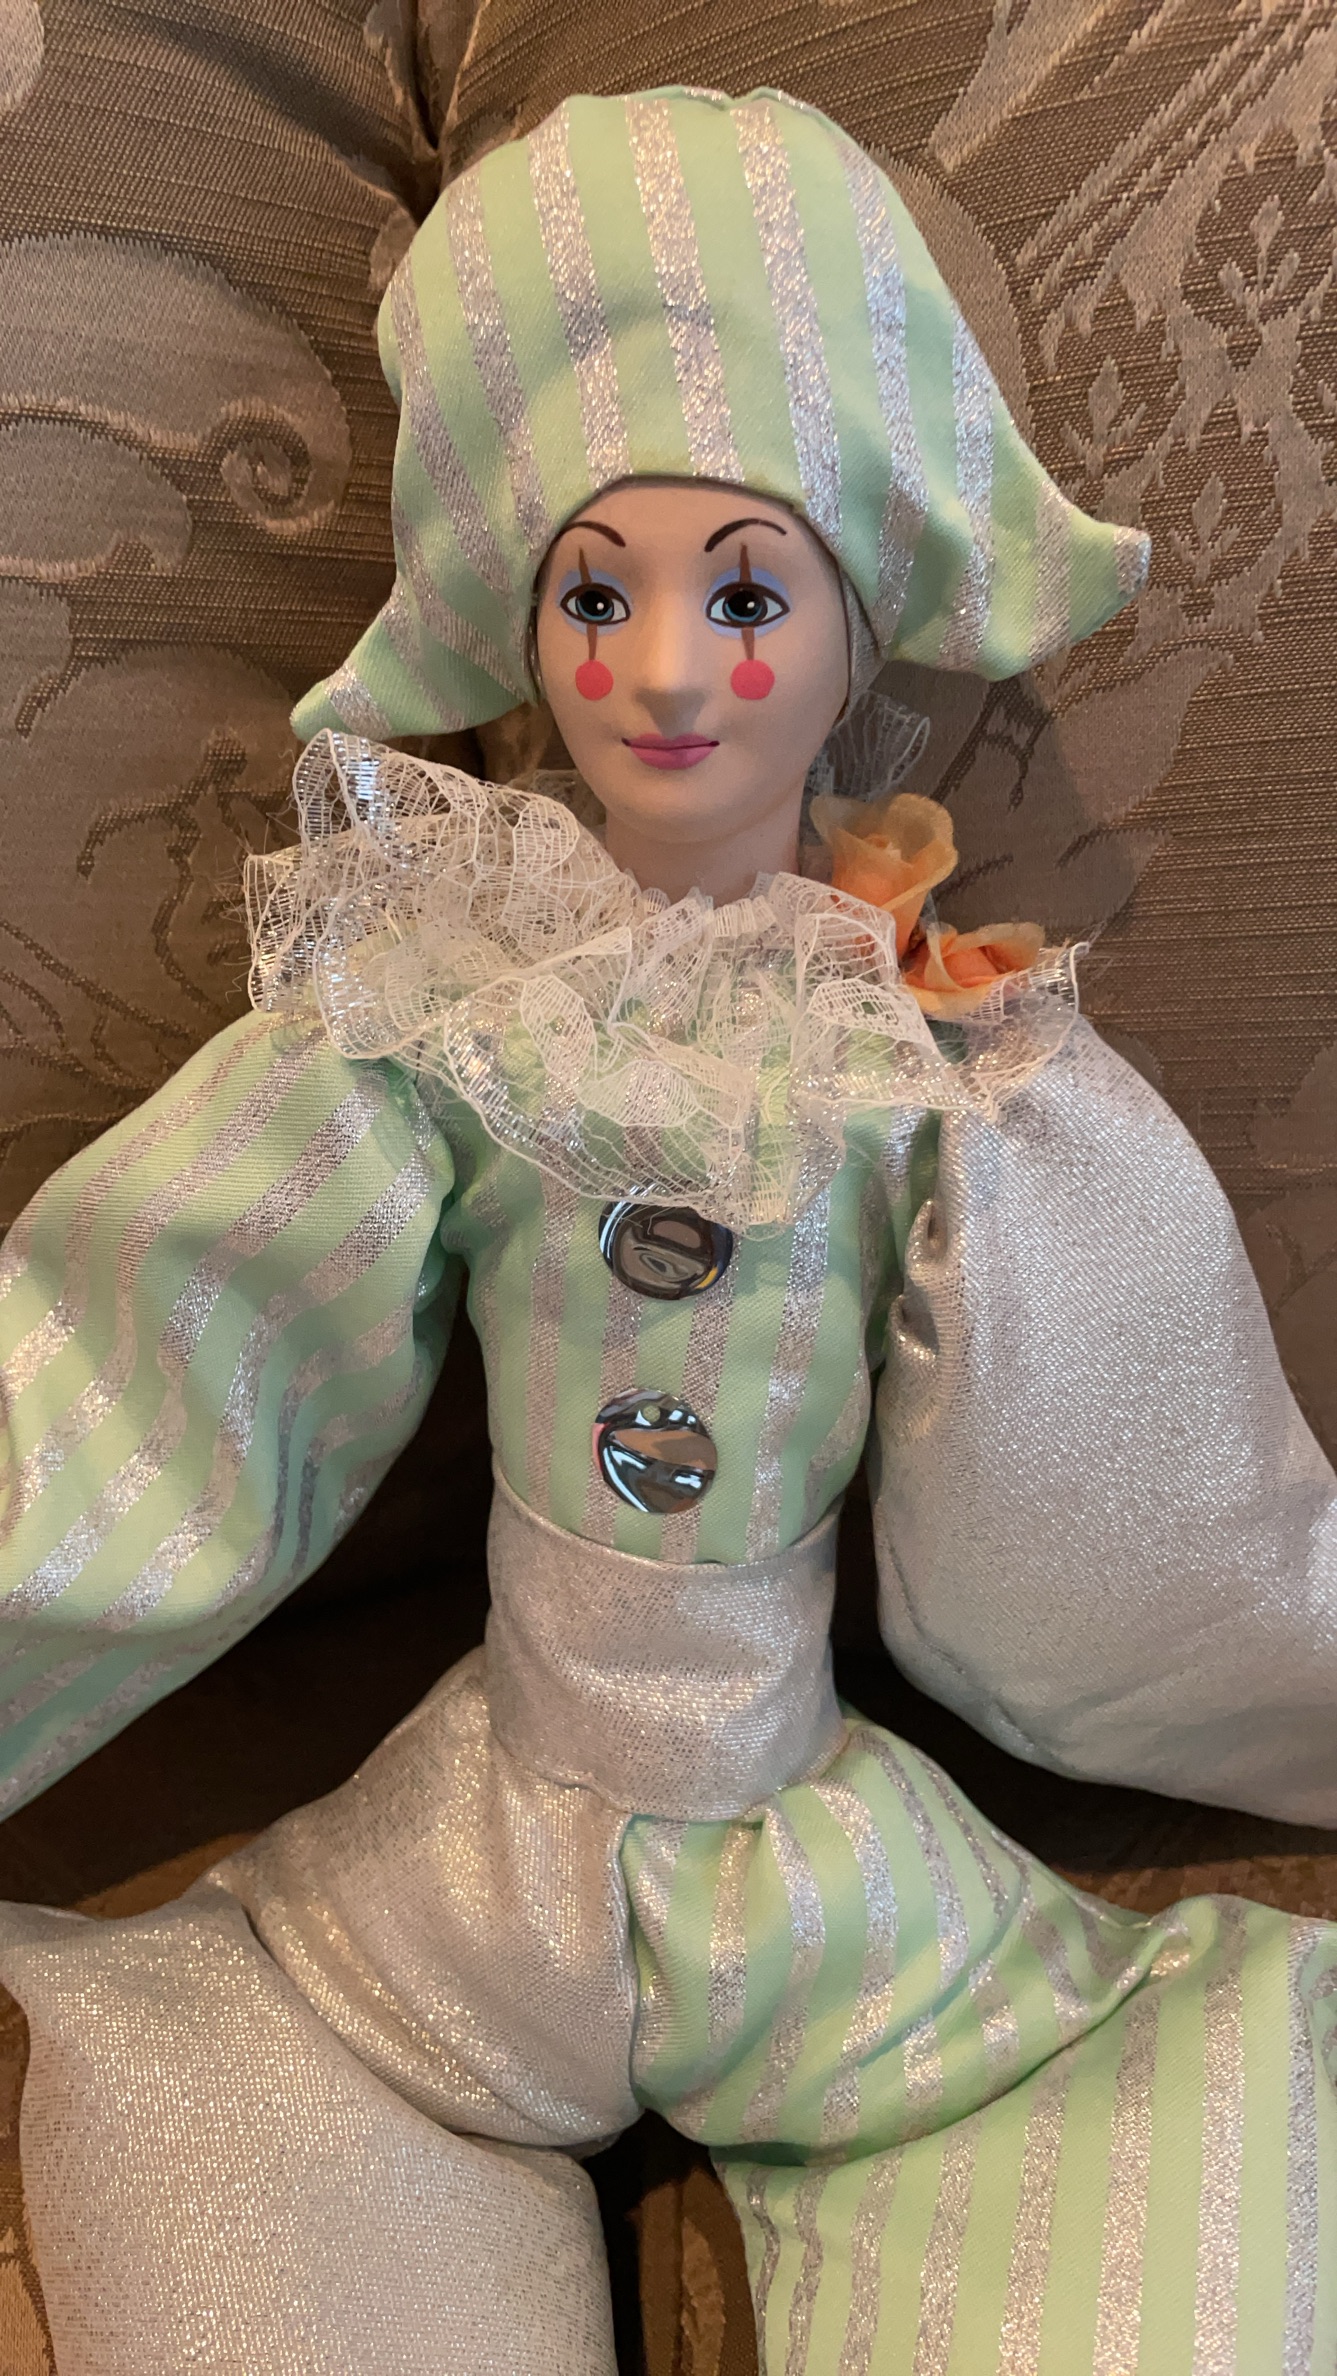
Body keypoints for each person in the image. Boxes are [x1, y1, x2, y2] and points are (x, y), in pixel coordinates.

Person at [0, 85, 1334, 2376]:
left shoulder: (929, 1054)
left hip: (803, 1832)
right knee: (257, 2088)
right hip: (471, 1864)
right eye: (595, 592)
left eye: (746, 592)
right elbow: (172, 1354)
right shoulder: (443, 1009)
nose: (665, 668)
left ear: (850, 628)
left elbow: (1106, 1488)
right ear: (523, 623)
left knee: (1119, 2149)